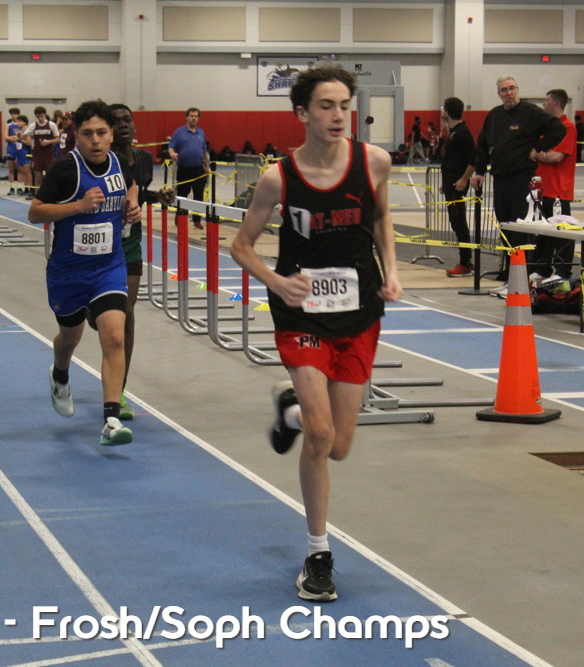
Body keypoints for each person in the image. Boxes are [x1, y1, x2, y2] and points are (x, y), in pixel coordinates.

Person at [230, 65, 403, 602]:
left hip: (359, 313)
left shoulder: (374, 162)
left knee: (340, 446)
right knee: (322, 437)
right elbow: (241, 245)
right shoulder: (278, 178)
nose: (338, 115)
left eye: (344, 105)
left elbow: (381, 218)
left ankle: (291, 412)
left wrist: (392, 270)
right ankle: (318, 553)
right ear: (302, 113)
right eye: (326, 105)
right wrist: (277, 282)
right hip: (302, 315)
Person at [28, 99, 141, 446]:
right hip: (68, 271)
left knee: (115, 336)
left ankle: (110, 420)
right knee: (70, 338)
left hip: (108, 266)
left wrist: (132, 205)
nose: (95, 140)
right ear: (77, 135)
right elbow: (35, 212)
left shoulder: (119, 162)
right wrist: (78, 206)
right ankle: (60, 373)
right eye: (88, 133)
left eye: (101, 133)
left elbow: (131, 185)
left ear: (111, 135)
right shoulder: (65, 168)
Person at [470, 75, 566, 292]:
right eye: (504, 90)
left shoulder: (530, 112)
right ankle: (510, 279)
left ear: (518, 89)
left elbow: (558, 129)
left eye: (512, 88)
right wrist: (479, 172)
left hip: (522, 180)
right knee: (505, 228)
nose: (509, 93)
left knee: (520, 230)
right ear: (498, 94)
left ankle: (521, 281)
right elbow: (482, 145)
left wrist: (539, 148)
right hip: (500, 181)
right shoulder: (494, 115)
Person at [110, 103, 175, 420]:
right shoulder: (102, 160)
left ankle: (119, 390)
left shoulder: (145, 160)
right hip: (100, 245)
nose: (123, 125)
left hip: (130, 245)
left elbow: (139, 193)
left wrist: (157, 197)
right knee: (98, 319)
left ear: (134, 125)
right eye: (116, 121)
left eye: (127, 120)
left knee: (125, 314)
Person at [529, 89, 577, 288]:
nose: (544, 104)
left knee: (562, 232)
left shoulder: (568, 127)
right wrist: (542, 154)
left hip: (559, 189)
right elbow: (540, 153)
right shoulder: (546, 129)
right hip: (542, 188)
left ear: (556, 103)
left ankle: (563, 270)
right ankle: (543, 268)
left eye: (547, 100)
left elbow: (556, 156)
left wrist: (539, 155)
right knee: (543, 232)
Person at [440, 97, 476, 277]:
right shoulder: (453, 132)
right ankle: (466, 261)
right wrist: (445, 182)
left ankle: (465, 263)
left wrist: (463, 179)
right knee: (456, 223)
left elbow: (473, 159)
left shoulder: (462, 133)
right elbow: (451, 160)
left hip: (456, 187)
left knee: (459, 223)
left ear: (447, 112)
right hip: (450, 184)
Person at [168, 107, 210, 229]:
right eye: (191, 116)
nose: (193, 118)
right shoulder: (179, 132)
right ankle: (180, 218)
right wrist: (172, 154)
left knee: (199, 196)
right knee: (182, 195)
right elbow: (171, 146)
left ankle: (197, 220)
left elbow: (204, 151)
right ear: (187, 117)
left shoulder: (201, 132)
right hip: (184, 170)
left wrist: (207, 167)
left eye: (196, 116)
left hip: (198, 169)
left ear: (198, 118)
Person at [25, 106, 60, 197]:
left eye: (41, 116)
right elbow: (23, 136)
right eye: (38, 117)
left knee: (50, 174)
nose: (40, 118)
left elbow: (58, 139)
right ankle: (39, 194)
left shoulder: (51, 125)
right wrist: (19, 135)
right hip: (37, 154)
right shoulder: (33, 125)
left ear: (45, 115)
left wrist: (48, 142)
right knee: (37, 175)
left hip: (48, 154)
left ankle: (50, 193)